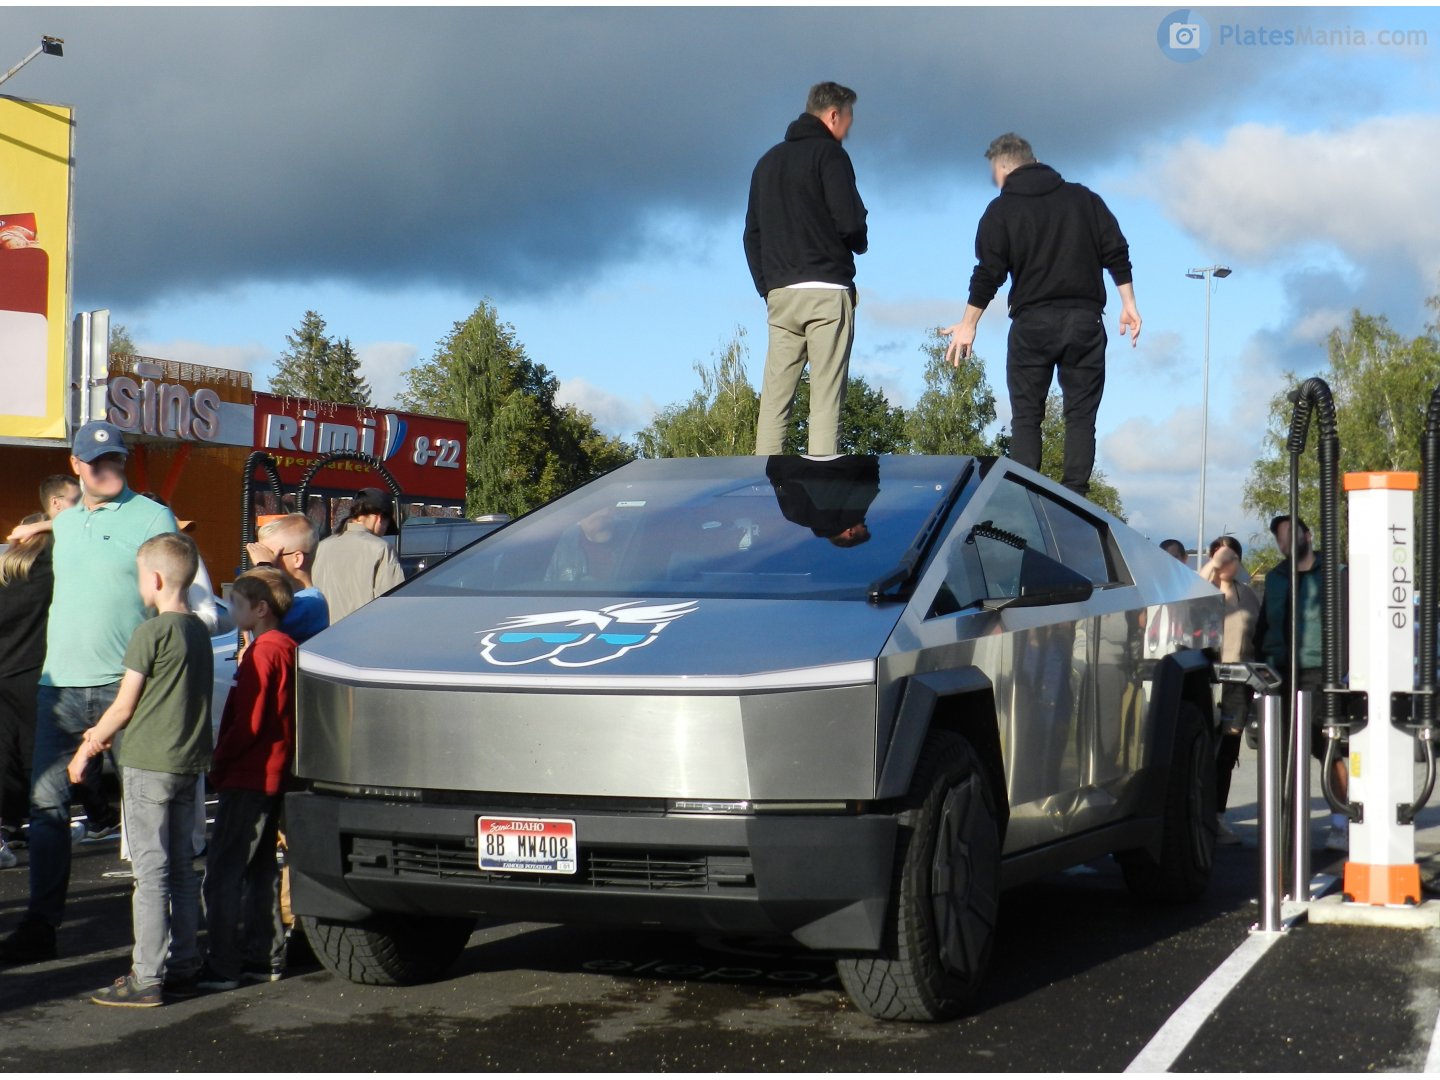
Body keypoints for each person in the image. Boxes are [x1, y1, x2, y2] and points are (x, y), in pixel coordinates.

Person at [0, 420, 177, 965]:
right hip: (59, 688)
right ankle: (40, 926)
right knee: (46, 807)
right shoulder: (68, 522)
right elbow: (67, 524)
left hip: (129, 685)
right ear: (75, 465)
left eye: (115, 460)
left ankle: (162, 940)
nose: (107, 470)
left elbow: (176, 594)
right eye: (96, 463)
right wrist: (37, 528)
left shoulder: (152, 516)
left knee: (147, 810)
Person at [943, 133, 1141, 498]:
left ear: (1004, 166)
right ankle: (1075, 497)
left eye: (994, 173)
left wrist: (968, 325)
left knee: (1026, 417)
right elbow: (1116, 250)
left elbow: (988, 273)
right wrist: (1128, 303)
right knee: (1080, 416)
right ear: (1033, 160)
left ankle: (1024, 497)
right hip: (1084, 321)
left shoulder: (1001, 211)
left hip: (1032, 325)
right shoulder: (1085, 199)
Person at [66, 532, 213, 1006]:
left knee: (150, 873)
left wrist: (88, 746)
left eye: (139, 576)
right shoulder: (197, 631)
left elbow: (124, 705)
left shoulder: (150, 632)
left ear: (155, 579)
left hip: (149, 762)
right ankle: (185, 964)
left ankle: (146, 975)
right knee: (183, 868)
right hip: (188, 762)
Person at [744, 81, 868, 457]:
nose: (849, 128)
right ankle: (823, 488)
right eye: (849, 119)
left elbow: (752, 236)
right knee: (825, 402)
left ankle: (764, 487)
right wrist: (860, 238)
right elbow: (849, 222)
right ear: (833, 115)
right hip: (827, 291)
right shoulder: (831, 156)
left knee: (774, 405)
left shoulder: (767, 163)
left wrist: (768, 287)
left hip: (781, 295)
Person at [196, 567, 297, 991]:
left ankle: (222, 963)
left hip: (248, 774)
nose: (231, 610)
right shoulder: (287, 647)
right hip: (273, 773)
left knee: (223, 871)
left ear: (260, 609)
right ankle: (264, 956)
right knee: (261, 870)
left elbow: (250, 721)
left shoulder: (262, 653)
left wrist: (219, 761)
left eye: (237, 603)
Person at [1254, 514, 1350, 852]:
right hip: (1281, 673)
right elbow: (1264, 624)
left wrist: (1343, 671)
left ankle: (1341, 823)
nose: (1284, 542)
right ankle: (1288, 826)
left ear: (1307, 535)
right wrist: (1259, 667)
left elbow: (1350, 623)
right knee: (1285, 752)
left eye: (1290, 534)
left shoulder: (1336, 574)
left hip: (1322, 672)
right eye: (1278, 537)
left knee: (1327, 747)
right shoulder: (1275, 578)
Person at [0, 514, 54, 866]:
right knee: (38, 756)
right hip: (34, 671)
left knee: (5, 754)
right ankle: (42, 828)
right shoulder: (49, 574)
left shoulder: (4, 575)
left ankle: (10, 825)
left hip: (2, 672)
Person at [1200, 536, 1260, 845]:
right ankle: (1196, 816)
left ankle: (1218, 816)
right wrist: (1212, 565)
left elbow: (1258, 636)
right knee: (1201, 749)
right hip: (1205, 679)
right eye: (1221, 556)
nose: (1226, 562)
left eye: (1232, 556)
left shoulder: (1246, 594)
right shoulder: (1201, 590)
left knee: (1227, 752)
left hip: (1238, 681)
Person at [311, 488, 404, 623]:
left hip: (322, 632)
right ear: (379, 519)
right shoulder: (381, 548)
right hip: (363, 631)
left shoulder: (321, 546)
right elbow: (394, 603)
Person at [765, 455, 879, 547]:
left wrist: (870, 460)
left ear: (851, 533)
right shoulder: (792, 516)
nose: (863, 521)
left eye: (863, 526)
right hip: (794, 456)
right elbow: (777, 480)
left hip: (839, 457)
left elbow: (867, 487)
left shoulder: (847, 520)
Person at [247, 513, 329, 642]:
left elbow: (257, 618)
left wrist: (264, 566)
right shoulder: (292, 599)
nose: (258, 560)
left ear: (297, 559)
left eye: (271, 554)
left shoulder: (310, 603)